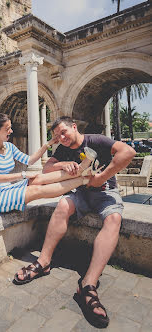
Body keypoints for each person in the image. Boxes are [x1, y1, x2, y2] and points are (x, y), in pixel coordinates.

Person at [14, 116, 136, 328]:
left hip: (105, 192)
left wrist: (103, 177)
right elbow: (47, 168)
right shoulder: (62, 148)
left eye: (64, 132)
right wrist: (62, 163)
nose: (62, 138)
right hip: (80, 192)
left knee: (114, 218)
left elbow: (129, 152)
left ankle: (88, 283)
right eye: (57, 136)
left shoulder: (96, 140)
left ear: (74, 127)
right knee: (62, 206)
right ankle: (43, 262)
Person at [0, 113, 100, 214]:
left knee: (38, 178)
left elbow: (30, 160)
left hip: (8, 188)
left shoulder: (9, 147)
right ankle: (84, 179)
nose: (11, 130)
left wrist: (48, 144)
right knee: (35, 189)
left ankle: (82, 170)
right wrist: (23, 174)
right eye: (7, 129)